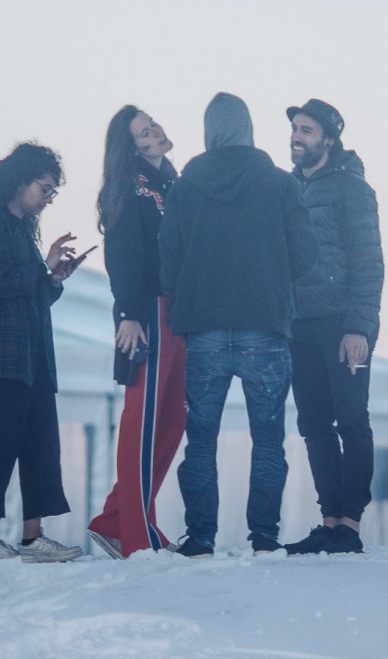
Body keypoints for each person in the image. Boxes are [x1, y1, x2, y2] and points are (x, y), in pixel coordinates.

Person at [158, 92, 318, 558]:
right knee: (268, 438)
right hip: (265, 329)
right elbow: (307, 256)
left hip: (204, 331)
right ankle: (264, 537)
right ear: (248, 129)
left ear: (209, 131)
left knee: (201, 439)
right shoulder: (279, 184)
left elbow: (168, 265)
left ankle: (201, 536)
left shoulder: (185, 189)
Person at [0, 142, 84, 564]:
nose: (47, 199)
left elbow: (30, 294)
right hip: (1, 354)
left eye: (52, 192)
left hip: (31, 354)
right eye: (44, 189)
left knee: (40, 442)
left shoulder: (19, 229)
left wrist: (52, 278)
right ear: (19, 180)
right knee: (1, 442)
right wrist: (40, 267)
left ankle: (33, 537)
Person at [281, 99, 384, 556]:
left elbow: (369, 263)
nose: (296, 137)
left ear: (327, 138)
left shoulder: (352, 189)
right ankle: (328, 521)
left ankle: (350, 524)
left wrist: (359, 326)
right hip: (298, 326)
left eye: (306, 130)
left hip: (343, 325)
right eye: (295, 129)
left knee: (353, 421)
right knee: (314, 424)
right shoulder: (287, 190)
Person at [86, 106, 186, 559]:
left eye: (154, 124)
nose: (156, 132)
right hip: (147, 311)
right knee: (143, 418)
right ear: (133, 147)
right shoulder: (130, 187)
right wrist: (129, 312)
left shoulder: (173, 182)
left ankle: (116, 520)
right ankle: (134, 533)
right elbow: (122, 253)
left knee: (171, 420)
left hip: (181, 312)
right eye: (145, 133)